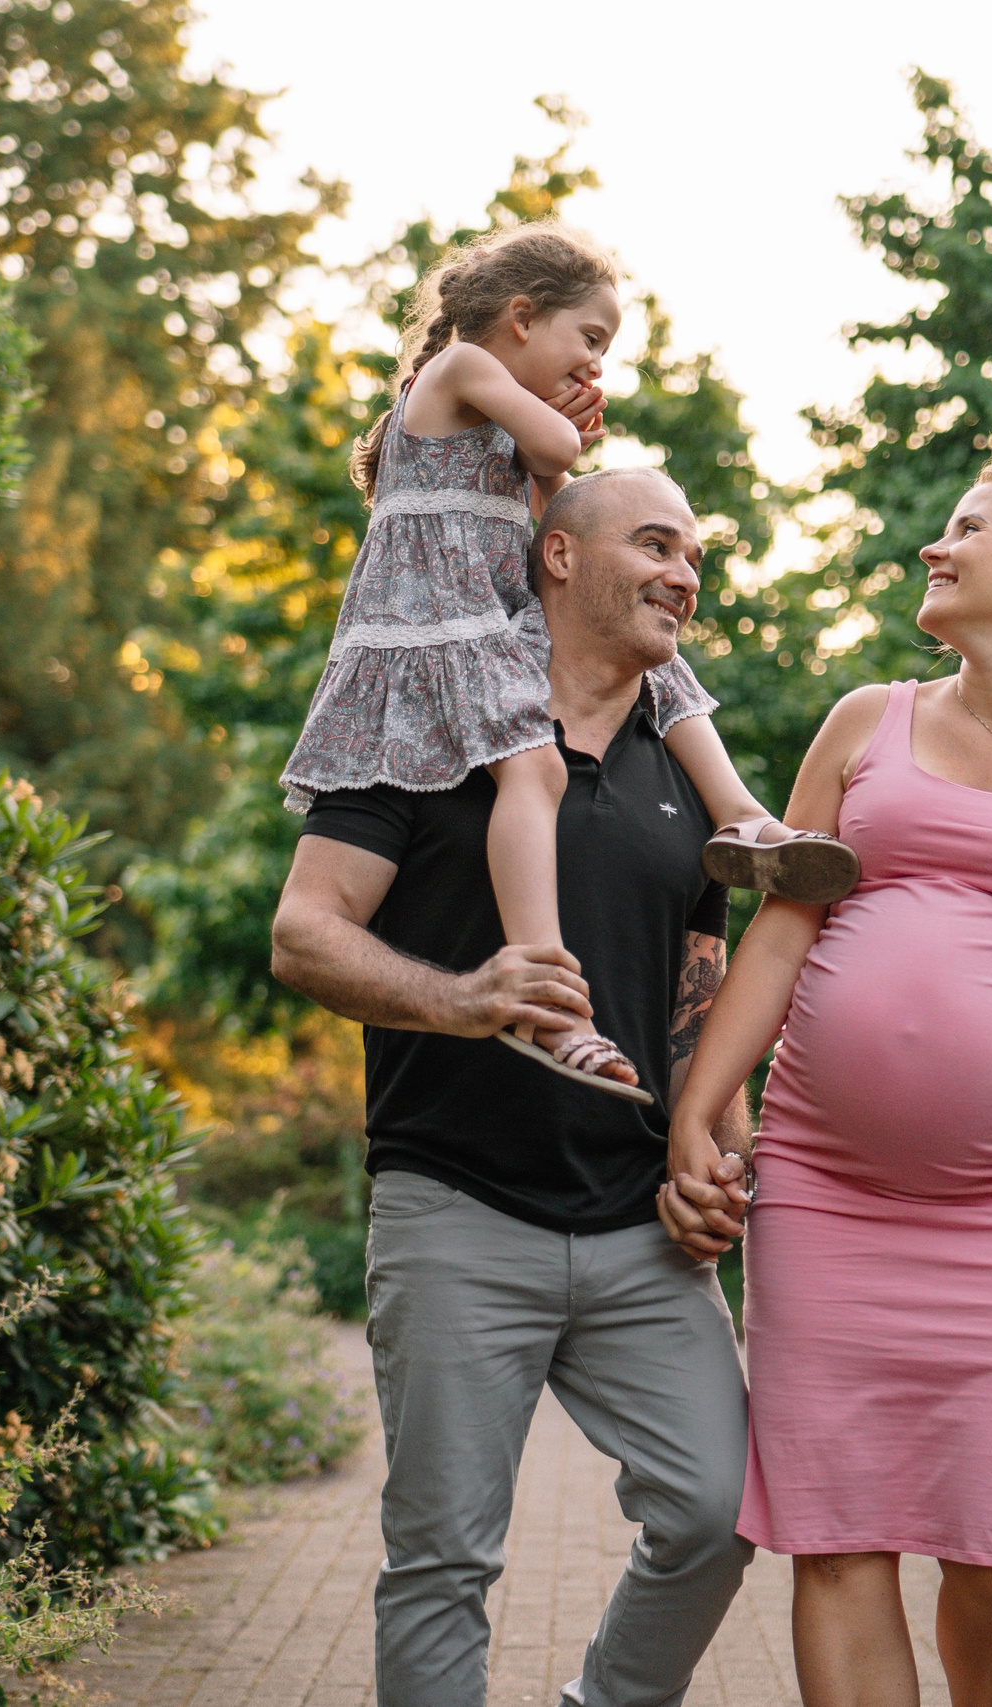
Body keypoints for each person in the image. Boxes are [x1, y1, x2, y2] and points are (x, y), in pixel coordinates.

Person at [659, 462, 992, 1707]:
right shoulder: (863, 721)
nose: (930, 549)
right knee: (839, 1540)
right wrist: (696, 1107)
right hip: (826, 1199)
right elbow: (781, 934)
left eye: (964, 530)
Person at [270, 465, 756, 1707]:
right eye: (654, 543)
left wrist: (716, 1155)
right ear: (556, 556)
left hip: (639, 1223)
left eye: (695, 555)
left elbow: (696, 996)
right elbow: (304, 933)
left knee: (718, 1509)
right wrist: (465, 998)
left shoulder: (682, 766)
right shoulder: (424, 716)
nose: (683, 574)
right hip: (456, 1209)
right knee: (442, 1562)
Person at [280, 220, 854, 1103]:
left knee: (655, 663)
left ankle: (741, 815)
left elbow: (559, 521)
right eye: (589, 341)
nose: (596, 366)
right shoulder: (462, 368)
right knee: (535, 775)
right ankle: (549, 991)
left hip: (488, 625)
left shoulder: (499, 417)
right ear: (519, 317)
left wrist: (566, 450)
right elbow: (559, 452)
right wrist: (568, 424)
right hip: (441, 632)